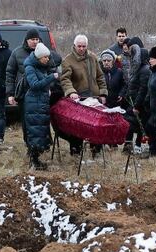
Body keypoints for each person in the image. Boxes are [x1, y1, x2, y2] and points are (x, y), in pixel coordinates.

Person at [60, 34, 107, 155]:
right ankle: (76, 151)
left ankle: (96, 151)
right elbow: (65, 79)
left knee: (96, 125)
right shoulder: (67, 60)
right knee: (77, 127)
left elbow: (100, 76)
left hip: (94, 98)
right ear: (74, 45)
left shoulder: (93, 57)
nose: (81, 48)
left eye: (84, 46)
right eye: (79, 46)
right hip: (78, 99)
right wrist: (71, 92)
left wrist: (103, 93)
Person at [22, 42, 58, 170]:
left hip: (40, 101)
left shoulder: (41, 66)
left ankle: (37, 159)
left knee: (41, 129)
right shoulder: (30, 67)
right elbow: (35, 84)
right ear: (39, 57)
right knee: (35, 131)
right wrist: (51, 78)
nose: (48, 59)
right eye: (45, 57)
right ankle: (34, 161)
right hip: (33, 103)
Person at [124, 45, 150, 152]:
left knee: (140, 125)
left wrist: (137, 104)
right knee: (129, 124)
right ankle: (128, 145)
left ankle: (138, 145)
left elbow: (143, 89)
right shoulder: (137, 68)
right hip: (133, 101)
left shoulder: (145, 70)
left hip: (139, 104)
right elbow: (132, 85)